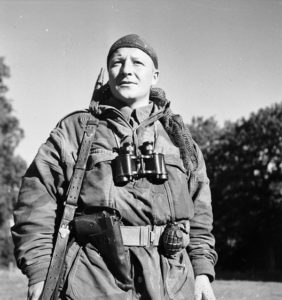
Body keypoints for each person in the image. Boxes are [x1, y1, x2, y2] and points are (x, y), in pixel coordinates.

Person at [12, 34, 217, 300]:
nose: (127, 70)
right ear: (108, 72)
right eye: (117, 62)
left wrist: (201, 271)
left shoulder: (178, 137)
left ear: (155, 75)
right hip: (92, 279)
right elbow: (36, 201)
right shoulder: (76, 130)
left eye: (137, 63)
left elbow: (200, 211)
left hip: (173, 282)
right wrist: (39, 271)